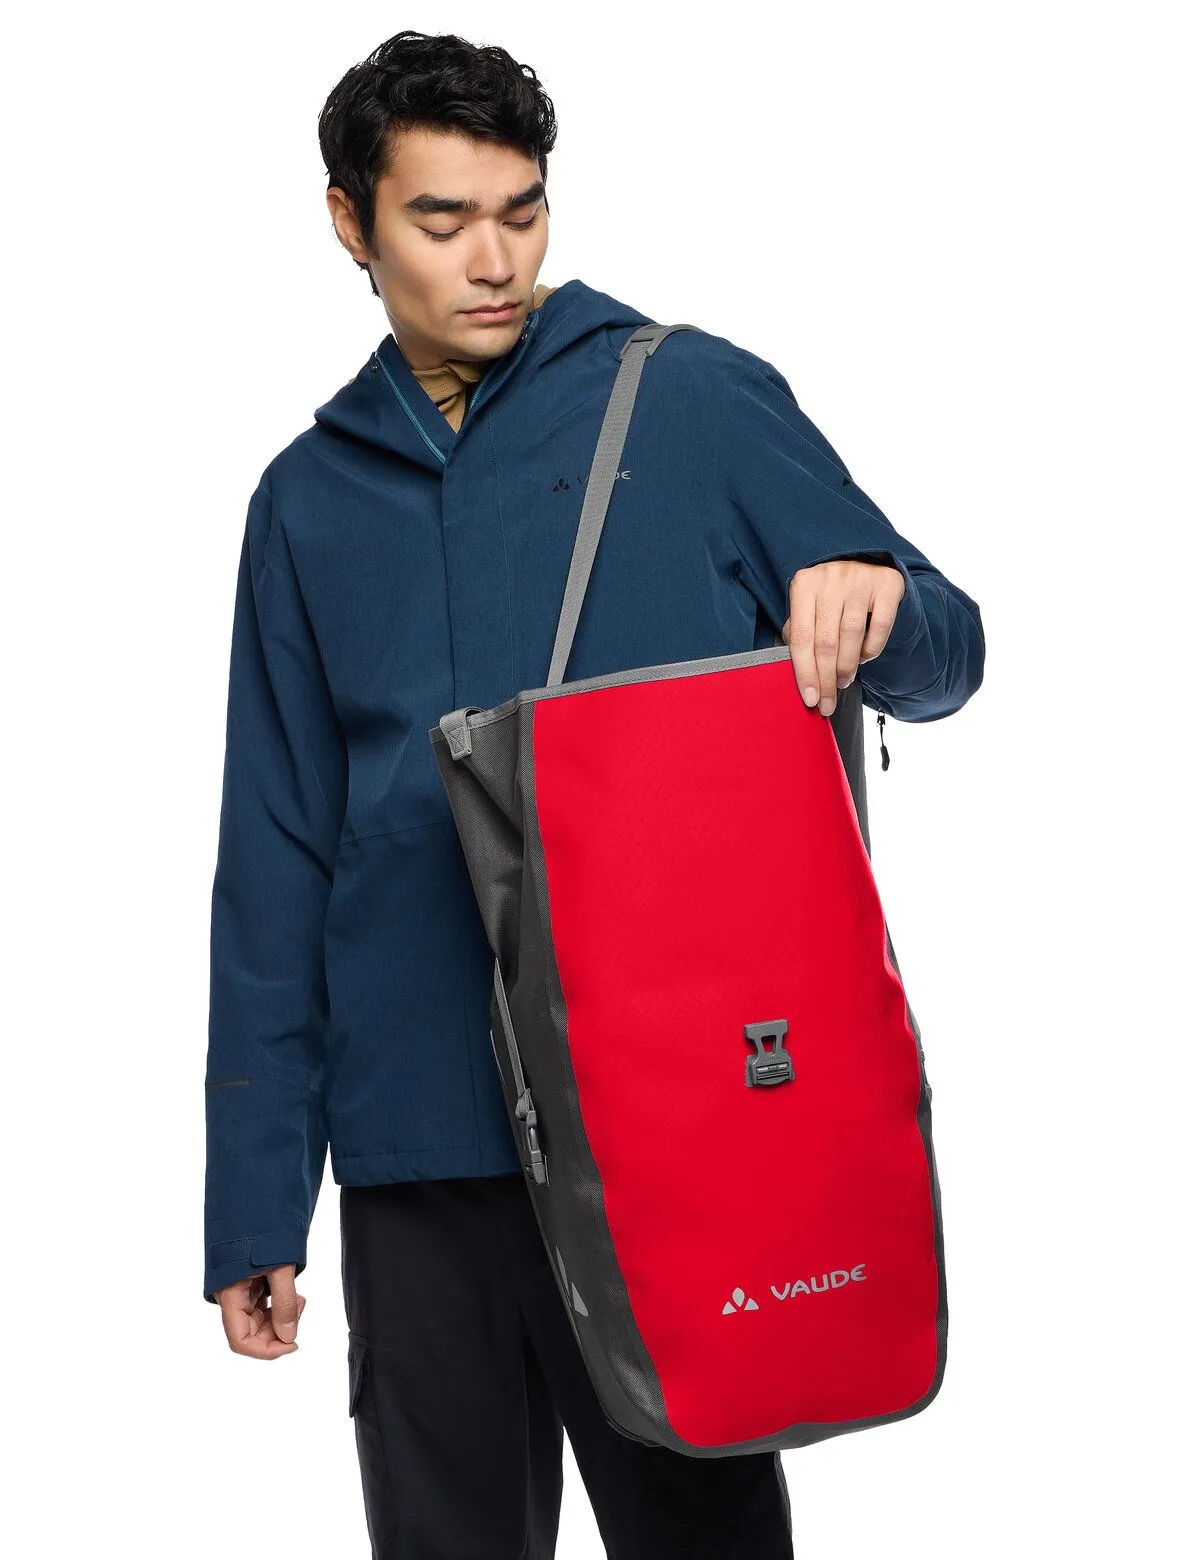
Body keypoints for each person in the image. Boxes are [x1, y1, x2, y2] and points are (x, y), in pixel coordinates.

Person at [202, 27, 985, 1559]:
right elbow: (276, 853)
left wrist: (878, 597)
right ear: (350, 222)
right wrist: (253, 1197)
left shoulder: (688, 401)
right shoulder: (304, 501)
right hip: (419, 1153)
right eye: (441, 220)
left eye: (523, 210)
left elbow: (949, 652)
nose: (494, 259)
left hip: (670, 1137)